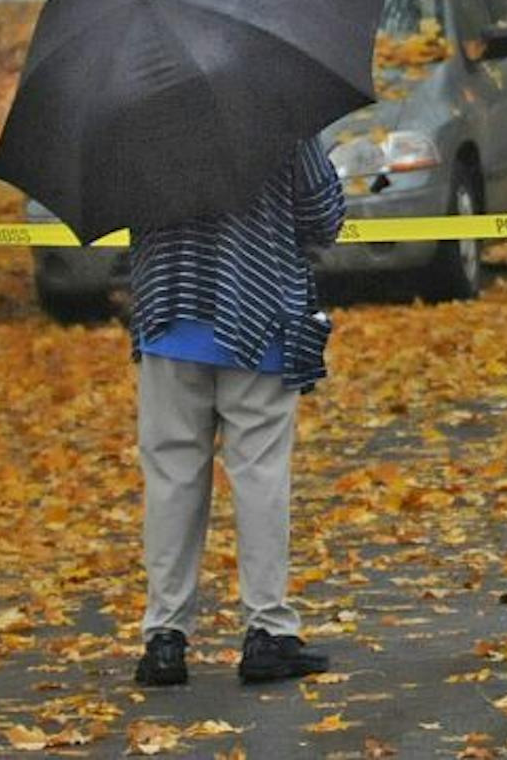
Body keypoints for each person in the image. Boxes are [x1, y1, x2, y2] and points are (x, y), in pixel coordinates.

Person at [128, 138, 345, 688]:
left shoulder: (142, 115)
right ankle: (267, 630)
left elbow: (118, 206)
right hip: (258, 312)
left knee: (171, 480)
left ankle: (164, 639)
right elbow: (323, 217)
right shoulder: (284, 111)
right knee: (260, 475)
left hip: (168, 314)